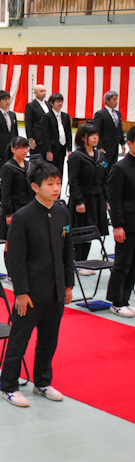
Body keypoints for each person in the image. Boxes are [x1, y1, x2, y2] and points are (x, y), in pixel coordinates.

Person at [2, 161, 73, 407]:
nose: (56, 188)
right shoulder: (23, 217)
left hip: (55, 290)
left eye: (58, 183)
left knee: (48, 340)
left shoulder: (62, 212)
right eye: (50, 184)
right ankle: (9, 386)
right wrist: (21, 292)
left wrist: (68, 284)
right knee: (19, 340)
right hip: (31, 292)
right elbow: (15, 258)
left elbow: (67, 251)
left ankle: (42, 381)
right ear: (35, 186)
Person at [67, 122, 108, 269]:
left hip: (97, 199)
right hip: (82, 200)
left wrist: (106, 199)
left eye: (97, 135)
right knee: (80, 232)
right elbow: (73, 181)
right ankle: (78, 263)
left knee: (91, 232)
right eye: (92, 135)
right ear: (83, 138)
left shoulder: (101, 156)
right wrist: (79, 201)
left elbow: (105, 179)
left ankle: (84, 263)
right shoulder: (76, 157)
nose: (96, 138)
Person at [106, 126, 135, 318]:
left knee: (133, 264)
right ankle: (116, 301)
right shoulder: (119, 168)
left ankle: (125, 299)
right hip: (125, 223)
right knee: (122, 263)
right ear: (129, 143)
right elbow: (114, 199)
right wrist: (117, 225)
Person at [0, 137, 34, 242]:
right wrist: (8, 213)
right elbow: (5, 193)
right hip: (14, 209)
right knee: (13, 241)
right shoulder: (8, 167)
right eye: (21, 148)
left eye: (26, 148)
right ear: (13, 150)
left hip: (28, 207)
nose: (25, 151)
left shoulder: (30, 165)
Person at [93, 90, 127, 171]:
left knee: (113, 167)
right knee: (104, 167)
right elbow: (97, 131)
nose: (116, 102)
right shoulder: (100, 114)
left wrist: (122, 143)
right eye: (114, 99)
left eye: (116, 99)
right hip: (105, 147)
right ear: (107, 101)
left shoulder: (118, 114)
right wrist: (99, 146)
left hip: (115, 147)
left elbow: (120, 129)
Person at [42, 93, 73, 178]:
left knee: (60, 171)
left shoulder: (65, 116)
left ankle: (59, 186)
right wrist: (48, 150)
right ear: (51, 103)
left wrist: (70, 149)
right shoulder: (47, 116)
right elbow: (45, 135)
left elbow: (68, 134)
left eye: (61, 101)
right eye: (58, 101)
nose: (60, 103)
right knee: (50, 171)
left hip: (62, 148)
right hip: (52, 148)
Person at [25, 84, 51, 156]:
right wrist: (30, 138)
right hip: (38, 139)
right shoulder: (31, 106)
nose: (43, 93)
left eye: (44, 91)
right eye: (41, 91)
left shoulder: (48, 104)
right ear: (35, 93)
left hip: (48, 137)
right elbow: (28, 123)